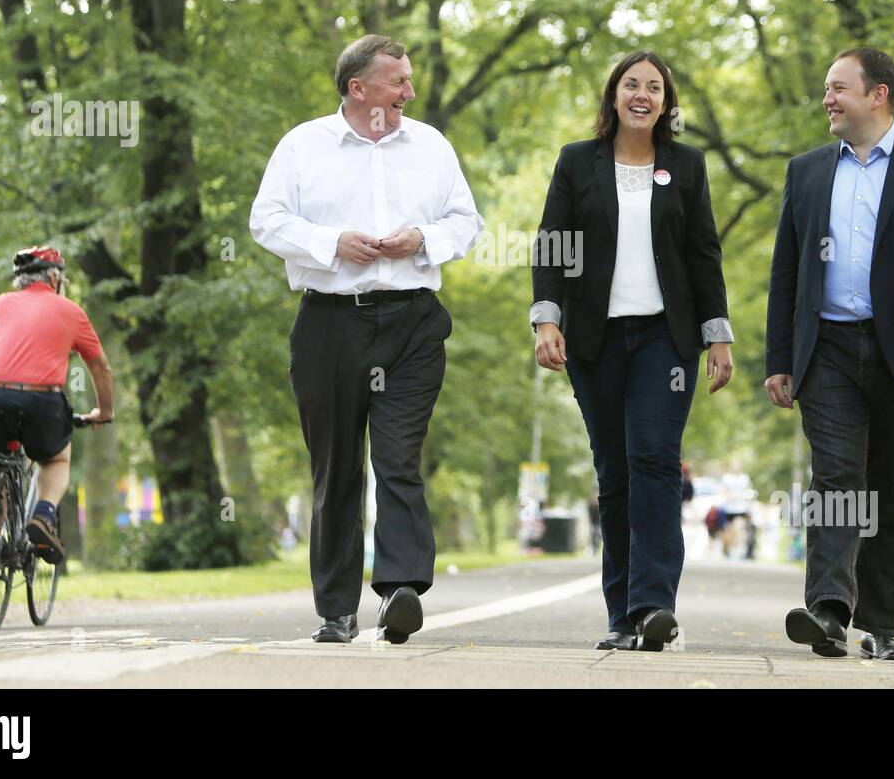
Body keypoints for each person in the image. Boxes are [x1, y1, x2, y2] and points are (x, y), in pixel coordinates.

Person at [250, 34, 483, 644]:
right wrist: (331, 244)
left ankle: (401, 588)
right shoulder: (303, 145)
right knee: (337, 469)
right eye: (398, 81)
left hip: (412, 322)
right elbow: (266, 219)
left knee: (399, 458)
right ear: (360, 89)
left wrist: (423, 240)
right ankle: (336, 610)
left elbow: (467, 221)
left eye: (408, 80)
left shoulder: (430, 145)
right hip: (330, 323)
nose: (410, 90)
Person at [764, 47, 894, 660]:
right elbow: (787, 273)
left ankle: (881, 626)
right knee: (835, 478)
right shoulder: (805, 171)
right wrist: (780, 358)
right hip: (826, 348)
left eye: (837, 88)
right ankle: (828, 612)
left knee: (890, 491)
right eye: (826, 88)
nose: (826, 99)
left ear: (878, 94)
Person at [532, 50, 734, 652]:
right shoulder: (577, 162)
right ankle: (620, 615)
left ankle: (653, 608)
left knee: (654, 459)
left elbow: (703, 253)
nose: (642, 94)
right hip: (595, 338)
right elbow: (552, 246)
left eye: (654, 87)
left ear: (667, 102)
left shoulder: (687, 166)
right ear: (613, 96)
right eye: (631, 85)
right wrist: (547, 321)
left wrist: (716, 332)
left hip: (664, 339)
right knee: (614, 473)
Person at [0, 246, 116, 566]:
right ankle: (43, 515)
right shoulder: (70, 311)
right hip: (41, 400)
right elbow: (101, 368)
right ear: (53, 277)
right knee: (56, 458)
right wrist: (104, 412)